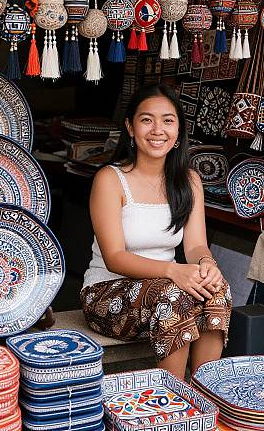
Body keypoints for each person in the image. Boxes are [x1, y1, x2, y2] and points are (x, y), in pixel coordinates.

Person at [81, 83, 232, 379]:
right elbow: (114, 257)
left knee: (218, 290)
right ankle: (170, 400)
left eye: (168, 120)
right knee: (173, 296)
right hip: (107, 294)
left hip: (166, 291)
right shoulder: (110, 180)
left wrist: (206, 265)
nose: (157, 130)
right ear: (131, 127)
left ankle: (203, 399)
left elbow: (196, 245)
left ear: (178, 132)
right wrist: (173, 271)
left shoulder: (188, 181)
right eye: (147, 120)